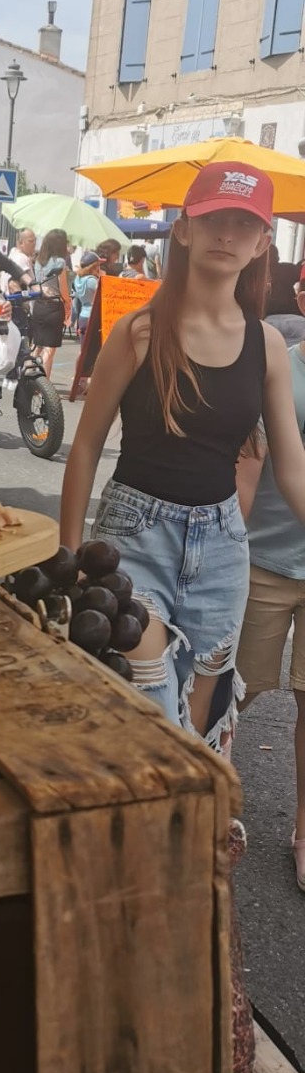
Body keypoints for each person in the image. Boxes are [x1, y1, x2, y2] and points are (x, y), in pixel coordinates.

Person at [60, 161, 305, 751]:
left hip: (223, 549)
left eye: (244, 224)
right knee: (153, 709)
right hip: (133, 538)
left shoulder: (268, 345)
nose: (227, 234)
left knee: (200, 723)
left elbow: (292, 466)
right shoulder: (139, 331)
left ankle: (179, 809)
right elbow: (85, 446)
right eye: (214, 218)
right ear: (185, 229)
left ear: (262, 242)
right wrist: (68, 560)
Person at [236, 323, 305, 891]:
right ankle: (200, 796)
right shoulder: (281, 367)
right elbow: (250, 465)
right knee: (232, 691)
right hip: (264, 562)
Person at [31, 228, 72, 378]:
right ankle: (44, 382)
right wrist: (68, 302)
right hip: (54, 306)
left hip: (39, 305)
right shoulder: (60, 262)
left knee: (37, 345)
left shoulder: (38, 261)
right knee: (50, 348)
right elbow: (63, 288)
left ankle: (28, 375)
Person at [72, 251, 100, 339]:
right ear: (94, 266)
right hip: (93, 316)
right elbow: (102, 293)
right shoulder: (91, 281)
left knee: (83, 345)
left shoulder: (77, 279)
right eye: (98, 265)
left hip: (83, 315)